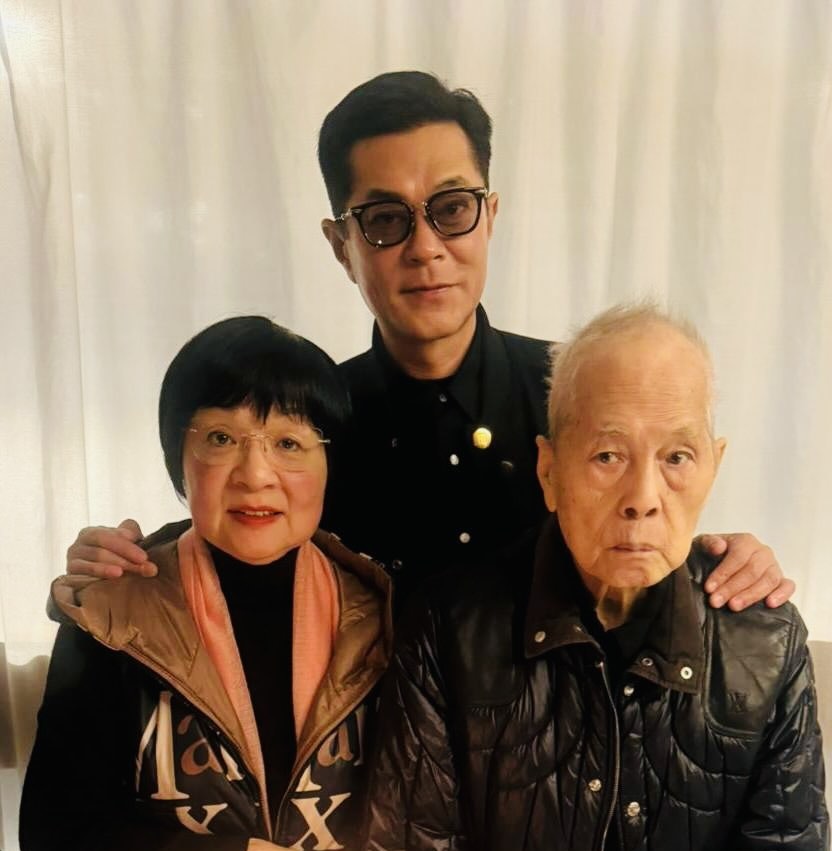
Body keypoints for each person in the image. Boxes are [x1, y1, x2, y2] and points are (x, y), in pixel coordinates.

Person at [64, 72, 792, 612]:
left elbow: (651, 521)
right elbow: (234, 523)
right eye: (385, 219)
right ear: (341, 245)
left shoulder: (581, 392)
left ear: (490, 215)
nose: (425, 247)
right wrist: (117, 568)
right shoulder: (309, 421)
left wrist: (728, 562)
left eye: (451, 208)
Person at [364, 303, 829, 851]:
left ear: (714, 466)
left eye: (677, 456)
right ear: (549, 471)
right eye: (608, 455)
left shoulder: (766, 641)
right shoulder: (450, 627)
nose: (643, 495)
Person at [20, 316, 403, 851]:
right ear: (179, 458)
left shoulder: (385, 617)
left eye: (290, 442)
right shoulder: (113, 616)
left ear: (329, 463)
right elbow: (55, 844)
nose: (256, 474)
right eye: (221, 438)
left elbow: (427, 831)